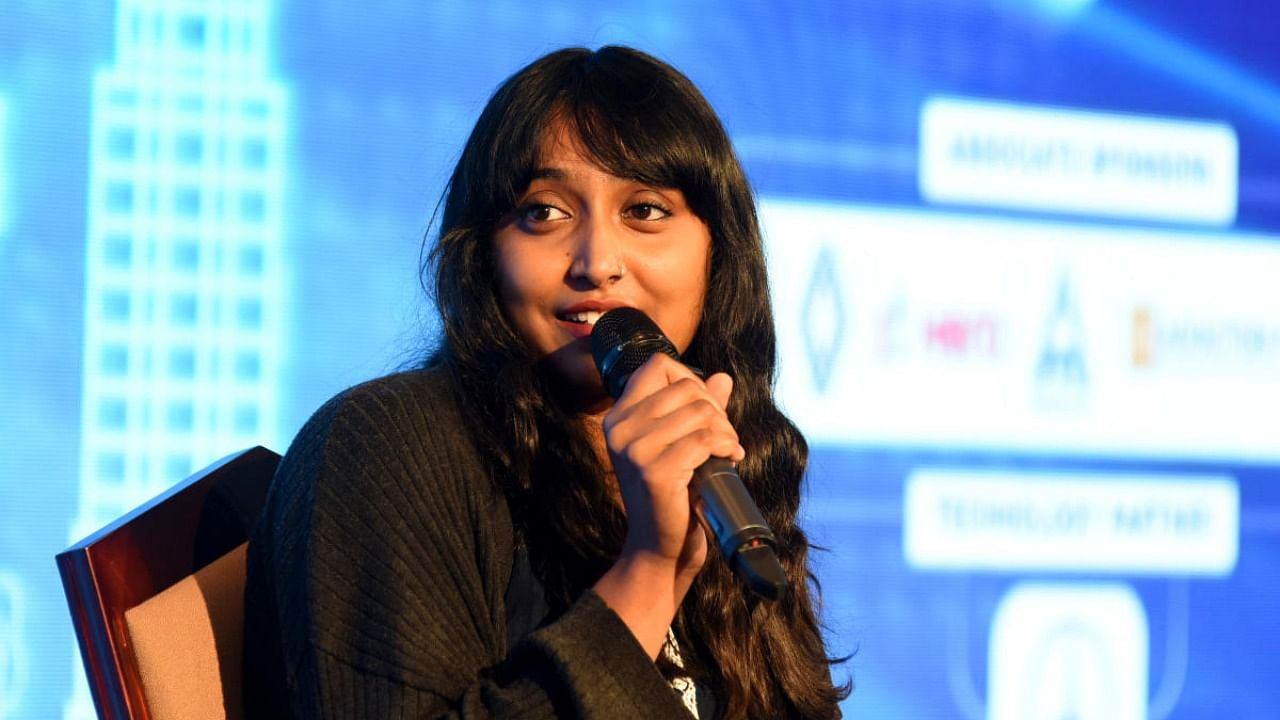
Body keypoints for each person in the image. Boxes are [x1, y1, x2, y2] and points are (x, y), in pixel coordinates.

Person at [243, 45, 848, 719]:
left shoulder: (727, 463)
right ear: (483, 253)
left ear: (717, 251)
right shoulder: (382, 448)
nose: (596, 262)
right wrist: (649, 572)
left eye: (645, 210)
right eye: (544, 212)